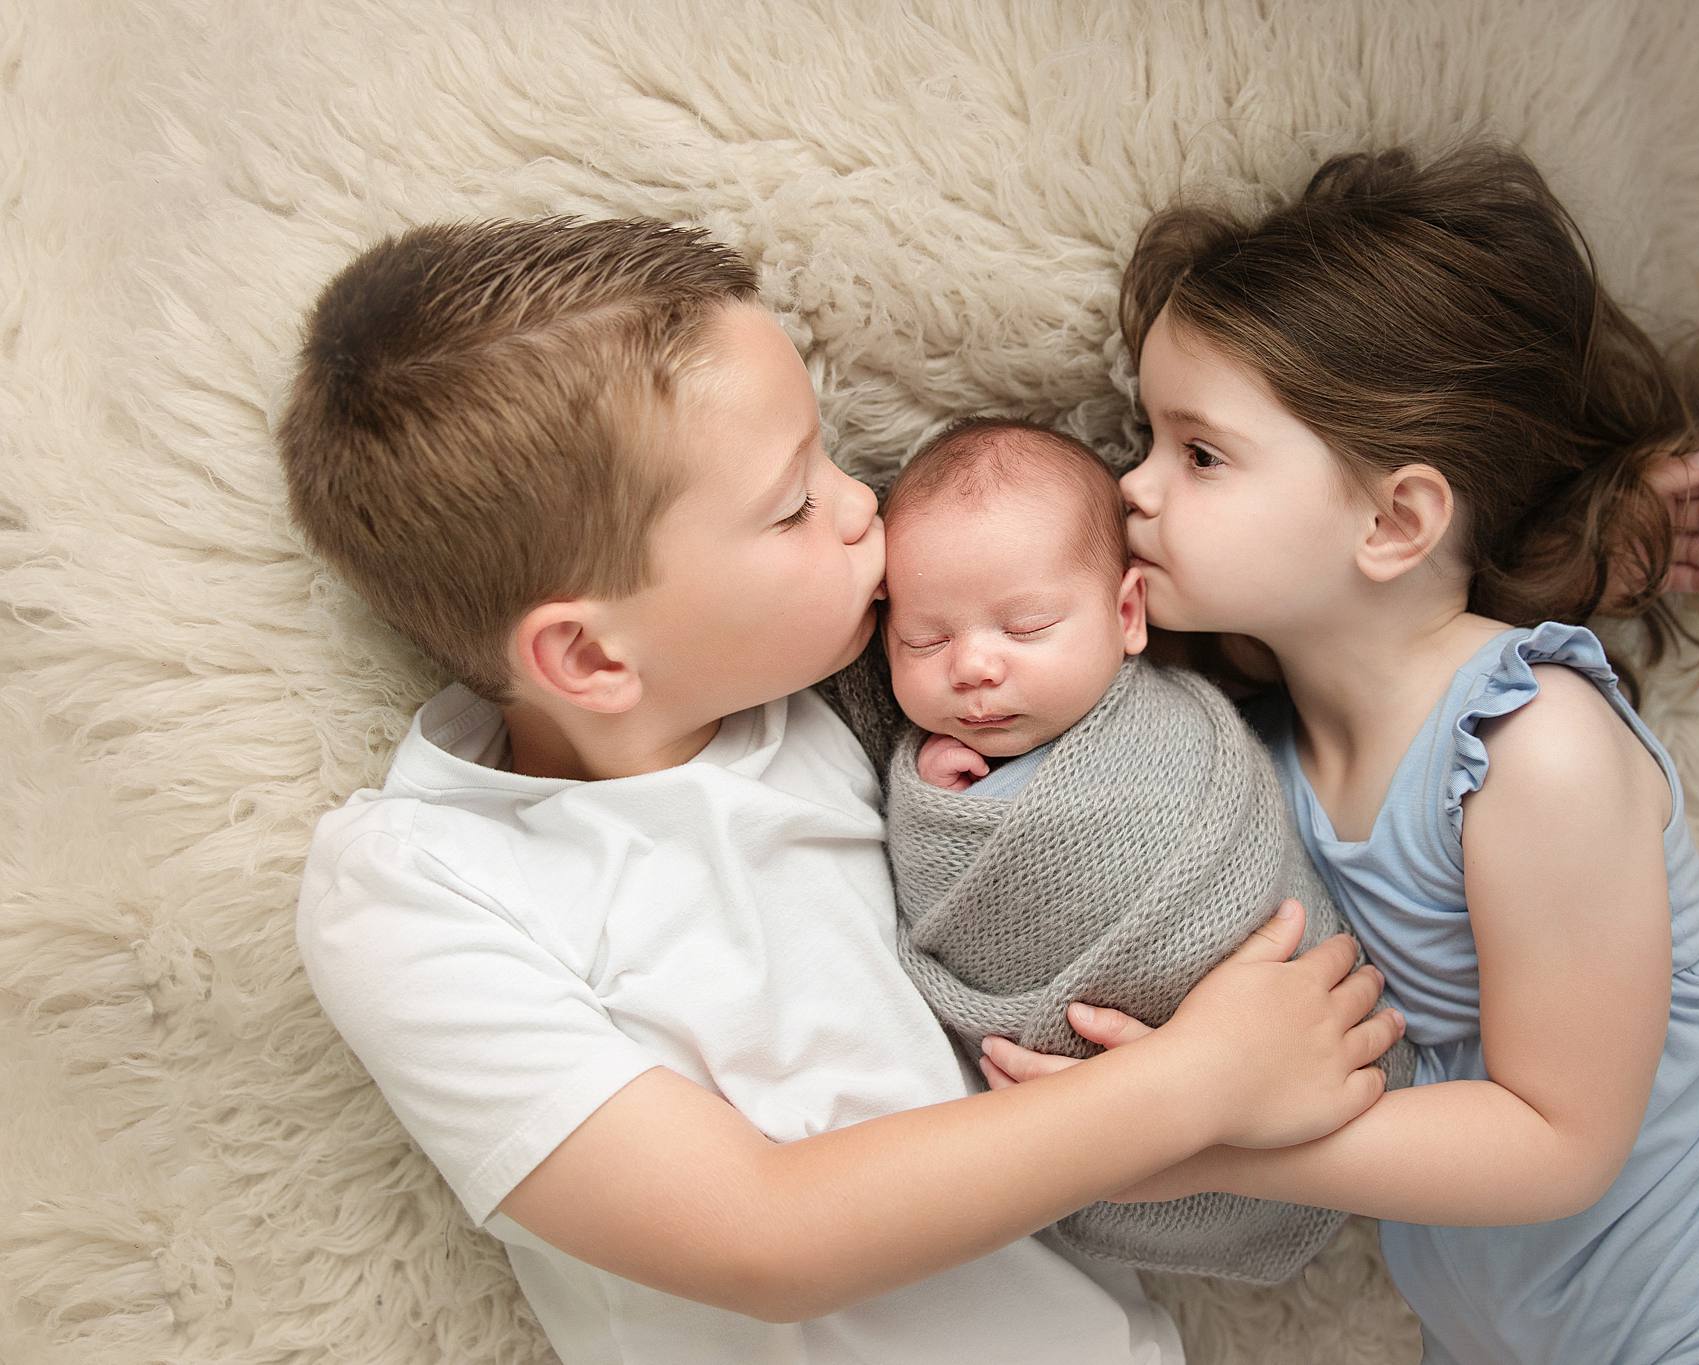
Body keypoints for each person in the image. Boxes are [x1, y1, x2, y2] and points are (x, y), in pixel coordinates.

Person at [278, 216, 1400, 1365]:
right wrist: (1198, 1083)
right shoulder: (418, 889)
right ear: (593, 659)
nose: (863, 500)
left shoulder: (844, 704)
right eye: (791, 504)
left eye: (826, 455)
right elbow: (765, 1237)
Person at [978, 143, 1699, 1362]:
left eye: (1197, 454)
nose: (1130, 490)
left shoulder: (1530, 747)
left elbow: (1555, 1140)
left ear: (1396, 519)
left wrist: (1196, 1135)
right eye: (1144, 439)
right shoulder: (1248, 752)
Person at [876, 417, 1416, 1283]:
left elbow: (1248, 863)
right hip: (1111, 1103)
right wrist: (936, 800)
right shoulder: (932, 774)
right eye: (925, 640)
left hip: (1275, 1025)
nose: (972, 666)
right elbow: (935, 898)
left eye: (1028, 625)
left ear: (1126, 615)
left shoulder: (1174, 723)